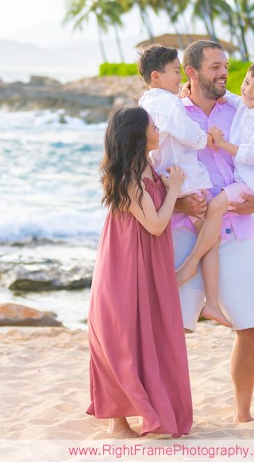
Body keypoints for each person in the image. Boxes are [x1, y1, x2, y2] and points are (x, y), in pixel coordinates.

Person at [171, 40, 254, 423]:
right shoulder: (171, 111)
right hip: (181, 230)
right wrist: (176, 203)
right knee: (173, 329)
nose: (224, 72)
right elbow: (152, 167)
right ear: (191, 73)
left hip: (236, 228)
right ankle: (172, 410)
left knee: (251, 326)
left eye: (225, 65)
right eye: (214, 66)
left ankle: (243, 413)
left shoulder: (243, 111)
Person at [86, 106, 193, 438]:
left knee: (148, 333)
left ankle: (151, 411)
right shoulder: (130, 179)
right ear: (137, 135)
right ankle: (116, 423)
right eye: (152, 125)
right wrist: (175, 187)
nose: (158, 128)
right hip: (124, 264)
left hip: (145, 262)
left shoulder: (147, 166)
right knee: (122, 336)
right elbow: (157, 225)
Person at [136, 44, 230, 327]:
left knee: (207, 231)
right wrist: (205, 138)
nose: (180, 78)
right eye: (175, 72)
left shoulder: (146, 102)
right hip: (187, 175)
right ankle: (210, 300)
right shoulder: (169, 103)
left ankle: (206, 298)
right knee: (211, 236)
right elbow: (185, 132)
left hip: (166, 173)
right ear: (156, 76)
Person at [175, 60, 254, 294]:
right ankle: (199, 266)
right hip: (244, 179)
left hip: (251, 183)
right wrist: (189, 88)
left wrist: (222, 142)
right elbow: (235, 98)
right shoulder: (248, 103)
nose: (248, 91)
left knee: (214, 208)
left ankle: (191, 264)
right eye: (246, 83)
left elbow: (250, 155)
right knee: (212, 210)